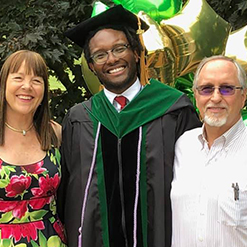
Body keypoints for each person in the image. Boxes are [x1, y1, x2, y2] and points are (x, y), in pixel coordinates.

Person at [58, 5, 201, 247]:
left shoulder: (174, 110)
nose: (111, 59)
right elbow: (67, 195)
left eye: (119, 48)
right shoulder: (79, 119)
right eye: (100, 54)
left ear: (136, 52)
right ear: (91, 66)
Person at [171, 55, 247, 247]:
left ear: (243, 97)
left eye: (227, 88)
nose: (215, 97)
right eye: (206, 89)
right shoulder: (183, 146)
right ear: (196, 96)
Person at [0, 50, 66, 246]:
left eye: (36, 80)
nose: (27, 86)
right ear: (3, 83)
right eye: (18, 78)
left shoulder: (55, 133)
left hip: (51, 240)